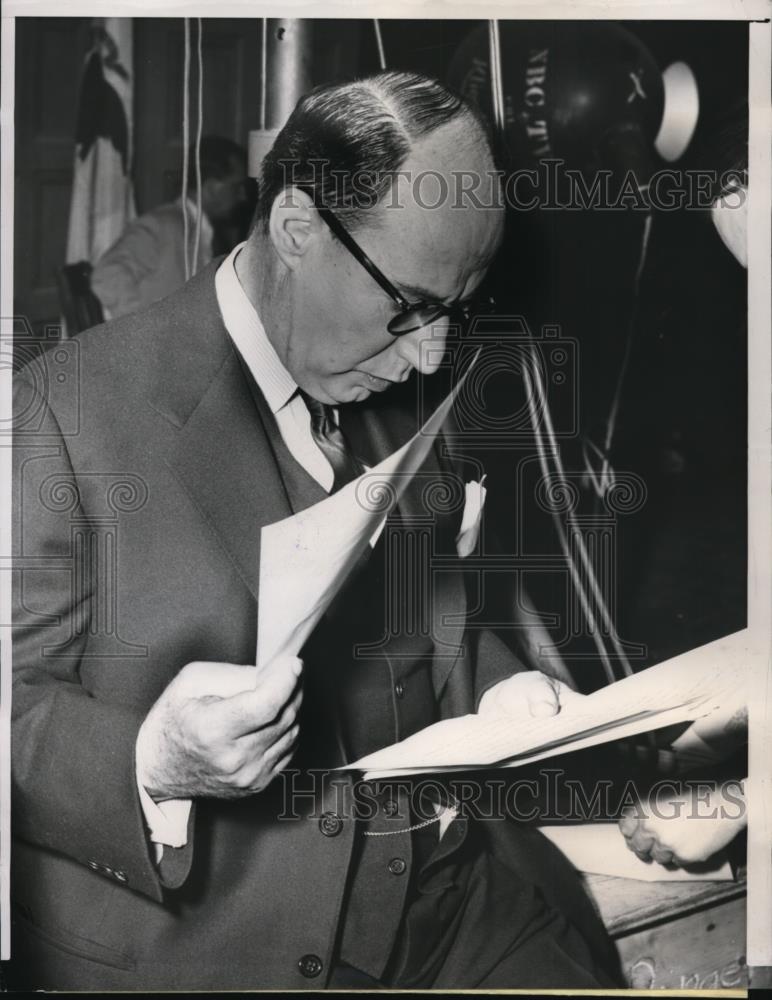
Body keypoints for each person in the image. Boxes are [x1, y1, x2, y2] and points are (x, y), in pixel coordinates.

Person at [10, 72, 620, 990]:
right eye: (410, 308)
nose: (432, 354)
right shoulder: (61, 414)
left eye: (455, 312)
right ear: (296, 229)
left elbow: (433, 626)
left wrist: (502, 693)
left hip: (450, 911)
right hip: (210, 951)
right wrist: (153, 762)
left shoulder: (397, 380)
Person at [91, 134, 248, 319]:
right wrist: (145, 329)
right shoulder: (163, 225)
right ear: (212, 188)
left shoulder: (201, 230)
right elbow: (106, 277)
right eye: (237, 186)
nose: (243, 196)